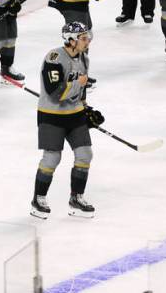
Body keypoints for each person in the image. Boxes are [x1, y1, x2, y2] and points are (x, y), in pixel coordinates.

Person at [30, 21, 98, 220]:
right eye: (84, 38)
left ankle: (76, 198)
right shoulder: (54, 58)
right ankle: (38, 199)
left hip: (75, 115)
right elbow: (55, 92)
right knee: (52, 158)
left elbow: (81, 89)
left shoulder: (84, 58)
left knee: (85, 154)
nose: (88, 42)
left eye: (88, 37)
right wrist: (79, 83)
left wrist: (86, 109)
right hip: (51, 115)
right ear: (71, 40)